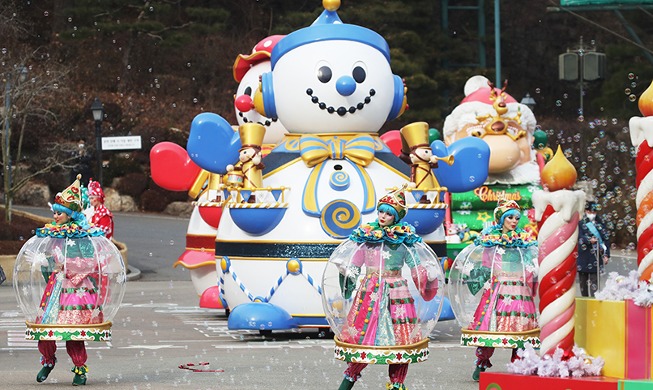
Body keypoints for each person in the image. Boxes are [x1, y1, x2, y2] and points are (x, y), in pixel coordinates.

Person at [336, 186, 440, 390]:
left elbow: (415, 267)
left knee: (400, 338)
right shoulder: (367, 237)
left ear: (397, 217)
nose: (383, 216)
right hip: (370, 290)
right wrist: (346, 272)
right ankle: (348, 381)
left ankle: (397, 384)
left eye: (389, 213)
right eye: (381, 211)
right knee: (365, 335)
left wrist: (429, 277)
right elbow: (355, 265)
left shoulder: (404, 240)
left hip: (396, 291)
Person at [33, 175, 105, 386]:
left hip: (75, 289)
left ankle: (80, 368)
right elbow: (49, 259)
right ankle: (48, 360)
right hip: (55, 287)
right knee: (46, 328)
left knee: (73, 331)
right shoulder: (53, 234)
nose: (55, 216)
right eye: (54, 212)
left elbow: (90, 262)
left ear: (70, 214)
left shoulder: (82, 236)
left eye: (60, 213)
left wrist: (67, 266)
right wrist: (43, 262)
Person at [457, 199, 538, 381]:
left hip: (518, 288)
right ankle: (481, 362)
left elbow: (528, 262)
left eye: (517, 218)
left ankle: (519, 365)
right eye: (510, 217)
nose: (514, 221)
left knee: (521, 329)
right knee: (490, 327)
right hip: (498, 287)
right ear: (501, 219)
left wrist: (531, 272)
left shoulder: (524, 239)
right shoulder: (490, 239)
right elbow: (486, 263)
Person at [577, 200, 610, 297]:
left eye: (594, 212)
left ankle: (593, 301)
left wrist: (606, 254)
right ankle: (584, 301)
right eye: (590, 212)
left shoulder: (601, 223)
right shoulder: (580, 222)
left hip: (596, 256)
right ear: (586, 211)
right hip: (583, 255)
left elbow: (606, 240)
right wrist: (588, 240)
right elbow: (579, 236)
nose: (592, 214)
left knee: (594, 282)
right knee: (583, 283)